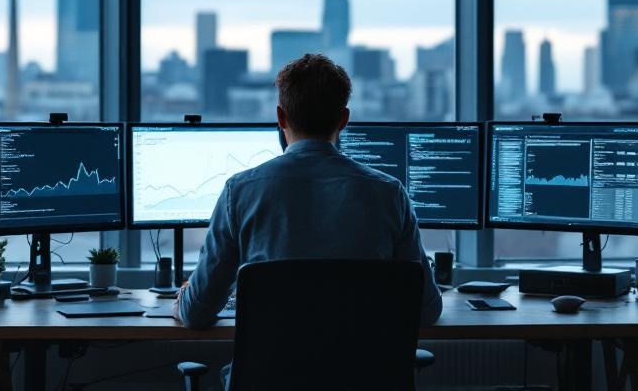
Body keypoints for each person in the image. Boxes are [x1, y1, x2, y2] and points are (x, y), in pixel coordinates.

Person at [174, 53, 443, 331]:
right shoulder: (390, 194)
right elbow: (427, 310)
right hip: (363, 374)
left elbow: (196, 313)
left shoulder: (240, 192)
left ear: (280, 117)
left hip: (271, 374)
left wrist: (184, 296)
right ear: (344, 120)